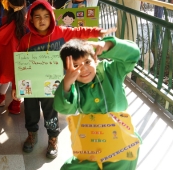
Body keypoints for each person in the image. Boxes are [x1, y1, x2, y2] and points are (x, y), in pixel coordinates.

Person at [12, 0, 115, 159]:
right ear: (31, 19)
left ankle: (53, 139)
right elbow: (19, 65)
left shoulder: (60, 32)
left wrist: (97, 32)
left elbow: (79, 31)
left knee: (50, 112)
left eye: (46, 16)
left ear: (52, 17)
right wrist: (15, 86)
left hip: (53, 85)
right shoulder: (27, 40)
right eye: (37, 17)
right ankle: (32, 135)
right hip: (31, 86)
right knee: (30, 112)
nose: (42, 20)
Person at [53, 37, 140, 169]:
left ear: (95, 59)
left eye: (87, 62)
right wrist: (66, 83)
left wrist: (108, 45)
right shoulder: (72, 84)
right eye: (75, 66)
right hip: (91, 141)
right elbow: (64, 109)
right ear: (67, 69)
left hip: (121, 141)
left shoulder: (111, 70)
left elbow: (133, 54)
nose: (83, 69)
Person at [0, 0, 27, 107]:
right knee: (19, 78)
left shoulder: (1, 21)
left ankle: (0, 98)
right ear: (24, 4)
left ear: (8, 3)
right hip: (22, 55)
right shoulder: (27, 23)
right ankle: (16, 104)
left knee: (6, 76)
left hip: (7, 56)